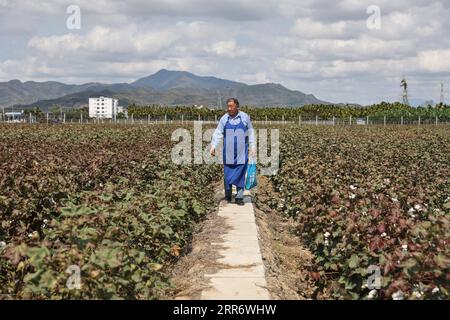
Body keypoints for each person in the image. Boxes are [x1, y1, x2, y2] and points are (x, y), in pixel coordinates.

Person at [210, 98, 256, 205]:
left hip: (241, 151)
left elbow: (251, 132)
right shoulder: (224, 119)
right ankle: (228, 195)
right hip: (228, 152)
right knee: (227, 174)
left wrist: (253, 147)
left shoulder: (244, 117)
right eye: (228, 106)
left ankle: (239, 197)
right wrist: (213, 146)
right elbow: (218, 133)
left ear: (237, 107)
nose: (229, 109)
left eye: (231, 106)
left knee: (240, 174)